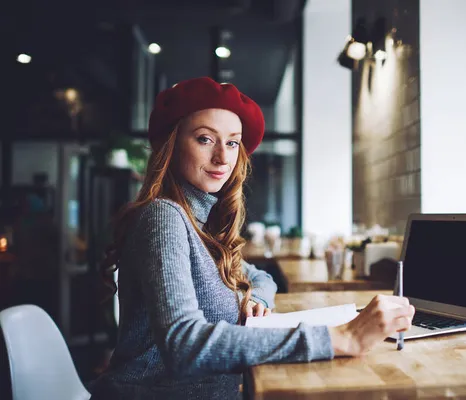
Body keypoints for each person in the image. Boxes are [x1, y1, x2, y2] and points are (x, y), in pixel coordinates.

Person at [89, 77, 415, 399]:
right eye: (205, 139)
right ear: (170, 145)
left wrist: (255, 300)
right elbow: (183, 344)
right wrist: (340, 338)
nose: (222, 158)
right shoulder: (164, 217)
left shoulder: (200, 224)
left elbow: (260, 277)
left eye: (232, 143)